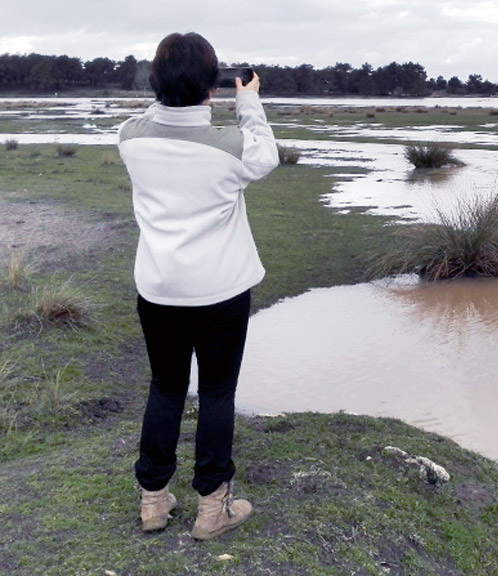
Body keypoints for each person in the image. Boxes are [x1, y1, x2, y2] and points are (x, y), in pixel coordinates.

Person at [118, 31, 279, 539]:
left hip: (159, 289)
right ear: (211, 86)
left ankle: (153, 502)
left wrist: (175, 89)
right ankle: (213, 508)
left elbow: (155, 114)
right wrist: (247, 98)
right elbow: (266, 153)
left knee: (166, 388)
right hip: (220, 293)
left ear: (155, 83)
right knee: (215, 393)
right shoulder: (230, 149)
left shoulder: (130, 138)